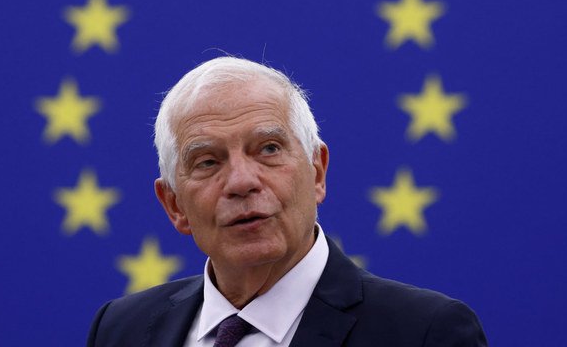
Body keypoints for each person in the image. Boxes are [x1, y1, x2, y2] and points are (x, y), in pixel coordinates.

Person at [86, 57, 488, 346]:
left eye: (269, 149)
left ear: (317, 171)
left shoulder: (424, 332)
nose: (242, 182)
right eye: (208, 161)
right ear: (174, 205)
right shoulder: (120, 330)